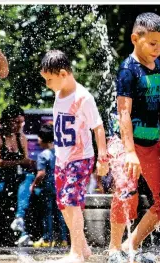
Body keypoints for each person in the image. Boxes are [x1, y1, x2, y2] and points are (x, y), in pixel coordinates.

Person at [105, 12, 160, 263]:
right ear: (135, 39)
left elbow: (156, 103)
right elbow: (124, 112)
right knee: (125, 193)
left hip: (152, 143)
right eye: (152, 44)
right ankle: (113, 248)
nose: (158, 49)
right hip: (127, 144)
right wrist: (130, 152)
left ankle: (129, 245)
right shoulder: (127, 70)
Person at [40, 50, 109, 263]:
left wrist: (103, 158)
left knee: (71, 201)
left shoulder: (83, 97)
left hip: (80, 159)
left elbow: (98, 127)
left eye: (49, 80)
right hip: (62, 159)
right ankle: (84, 248)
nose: (47, 84)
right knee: (63, 204)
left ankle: (76, 253)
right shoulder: (59, 94)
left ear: (62, 74)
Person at [0, 105, 36, 247]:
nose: (19, 125)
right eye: (16, 122)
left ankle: (18, 221)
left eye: (21, 122)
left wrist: (32, 164)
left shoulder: (21, 138)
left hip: (15, 179)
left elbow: (26, 161)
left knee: (29, 178)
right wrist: (20, 161)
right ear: (6, 120)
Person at [30, 123, 69, 248]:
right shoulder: (59, 153)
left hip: (48, 188)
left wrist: (33, 184)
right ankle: (63, 239)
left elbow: (41, 173)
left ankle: (47, 239)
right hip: (60, 187)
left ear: (41, 139)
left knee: (47, 213)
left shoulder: (42, 155)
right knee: (60, 213)